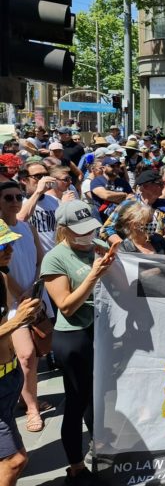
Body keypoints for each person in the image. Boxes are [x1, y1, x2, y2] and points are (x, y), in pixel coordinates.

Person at [40, 200, 116, 485]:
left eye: (90, 229)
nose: (87, 235)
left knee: (99, 399)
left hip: (101, 333)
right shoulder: (55, 258)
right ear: (64, 230)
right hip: (74, 337)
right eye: (80, 231)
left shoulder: (96, 245)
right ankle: (75, 467)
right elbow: (66, 306)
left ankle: (101, 452)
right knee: (77, 401)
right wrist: (94, 275)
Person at [0, 182, 49, 434]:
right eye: (8, 197)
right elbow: (2, 271)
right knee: (27, 355)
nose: (15, 201)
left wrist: (36, 288)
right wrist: (22, 294)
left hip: (34, 298)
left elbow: (41, 260)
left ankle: (25, 396)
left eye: (19, 196)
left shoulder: (29, 227)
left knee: (36, 353)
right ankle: (32, 407)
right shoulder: (0, 231)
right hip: (11, 305)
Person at [0, 221, 42, 485]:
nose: (10, 249)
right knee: (15, 461)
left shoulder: (2, 277)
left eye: (11, 243)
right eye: (4, 245)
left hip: (8, 380)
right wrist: (18, 321)